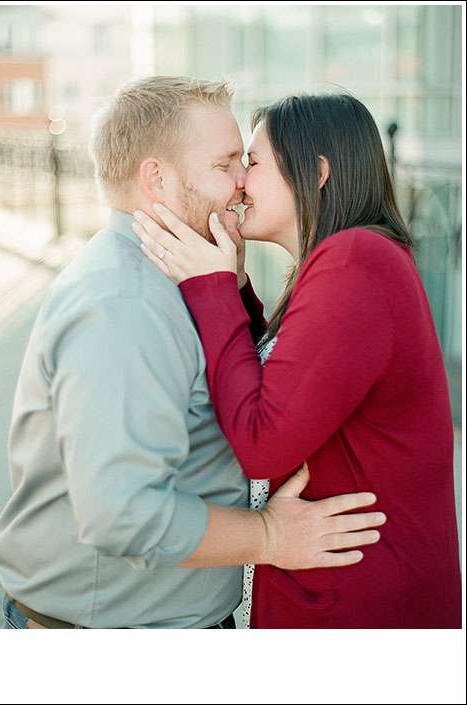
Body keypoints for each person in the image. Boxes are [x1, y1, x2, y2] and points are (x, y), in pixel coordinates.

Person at [0, 76, 386, 629]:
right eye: (227, 164)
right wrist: (272, 537)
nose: (243, 184)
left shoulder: (177, 278)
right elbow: (122, 515)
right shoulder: (124, 304)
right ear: (156, 177)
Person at [133, 92, 462, 628]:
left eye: (254, 162)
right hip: (350, 586)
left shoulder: (355, 260)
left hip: (357, 605)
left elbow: (263, 442)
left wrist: (211, 289)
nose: (239, 179)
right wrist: (235, 286)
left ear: (317, 171)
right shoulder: (353, 259)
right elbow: (295, 378)